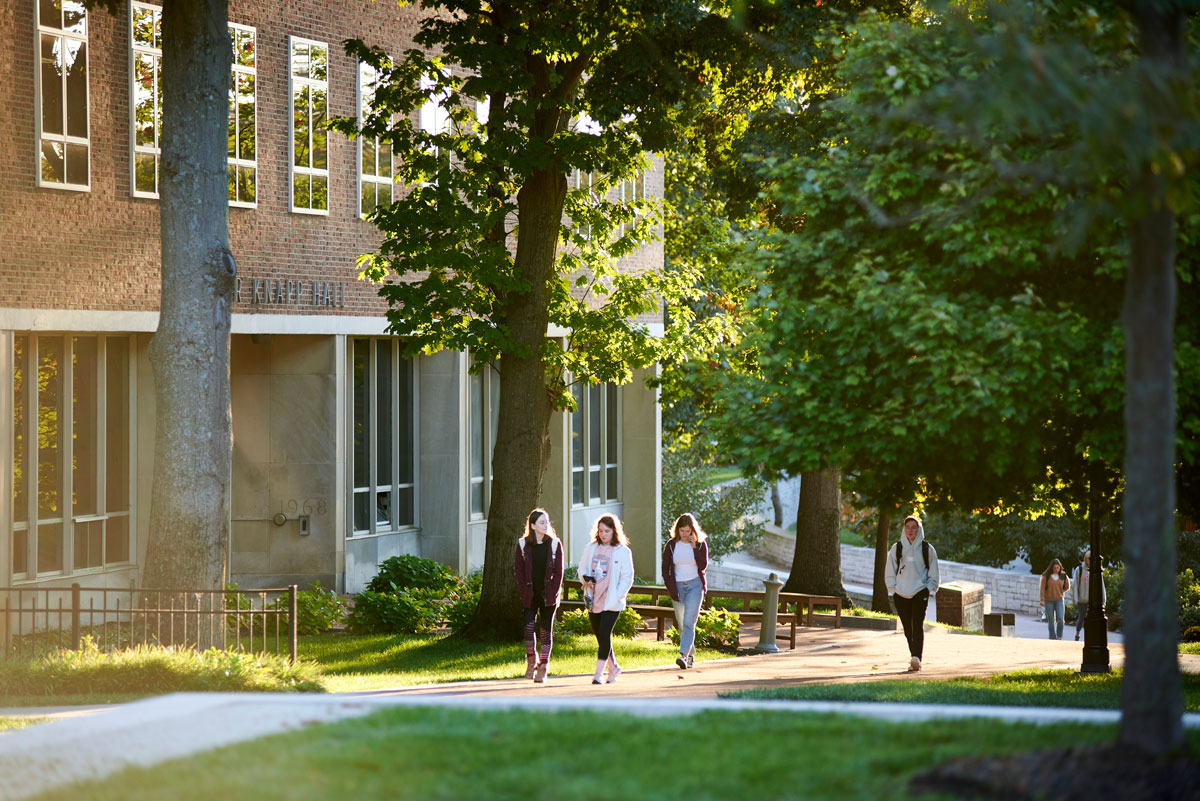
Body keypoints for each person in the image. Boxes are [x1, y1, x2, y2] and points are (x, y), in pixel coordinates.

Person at [579, 514, 635, 684]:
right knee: (601, 637)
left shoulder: (622, 551)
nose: (603, 534)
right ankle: (614, 666)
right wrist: (585, 578)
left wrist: (618, 595)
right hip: (593, 598)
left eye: (607, 531)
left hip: (612, 601)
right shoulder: (591, 547)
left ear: (614, 531)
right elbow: (582, 568)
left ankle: (598, 674)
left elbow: (628, 577)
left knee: (604, 633)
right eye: (601, 531)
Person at [512, 508, 564, 683]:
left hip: (548, 594)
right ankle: (530, 661)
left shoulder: (555, 544)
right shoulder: (522, 544)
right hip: (530, 593)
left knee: (545, 630)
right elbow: (518, 569)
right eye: (541, 522)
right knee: (528, 627)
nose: (546, 525)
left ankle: (543, 666)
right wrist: (523, 589)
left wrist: (553, 591)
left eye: (547, 521)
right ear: (533, 525)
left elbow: (559, 572)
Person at [884, 515, 940, 672]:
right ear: (904, 529)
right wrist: (893, 589)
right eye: (907, 527)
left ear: (919, 530)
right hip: (900, 594)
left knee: (917, 624)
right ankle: (914, 656)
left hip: (919, 592)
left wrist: (929, 588)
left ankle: (916, 658)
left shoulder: (927, 549)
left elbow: (934, 573)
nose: (910, 531)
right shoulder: (897, 548)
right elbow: (890, 571)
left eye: (914, 527)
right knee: (908, 629)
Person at [662, 512, 709, 670]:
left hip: (695, 586)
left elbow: (702, 566)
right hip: (678, 587)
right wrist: (670, 587)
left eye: (688, 531)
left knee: (689, 622)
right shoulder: (671, 545)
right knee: (682, 624)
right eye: (682, 531)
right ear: (677, 530)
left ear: (693, 530)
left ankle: (683, 655)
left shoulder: (701, 544)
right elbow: (665, 568)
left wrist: (694, 547)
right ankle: (690, 656)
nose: (685, 534)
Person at [1071, 550, 1106, 641]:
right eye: (1089, 559)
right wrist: (1075, 599)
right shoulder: (1080, 569)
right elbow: (1075, 585)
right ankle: (1077, 635)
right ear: (1086, 559)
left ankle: (1091, 637)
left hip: (1093, 600)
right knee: (1081, 618)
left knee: (1092, 620)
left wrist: (1103, 599)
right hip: (1082, 599)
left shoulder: (1098, 570)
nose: (1091, 561)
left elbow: (1101, 586)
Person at [1041, 557, 1071, 640]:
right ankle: (1052, 637)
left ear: (1060, 567)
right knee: (1051, 620)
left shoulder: (1063, 576)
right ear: (1051, 568)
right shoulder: (1046, 577)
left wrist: (1061, 591)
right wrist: (1042, 599)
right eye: (1054, 568)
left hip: (1059, 600)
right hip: (1048, 601)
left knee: (1061, 619)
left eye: (1057, 567)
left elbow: (1067, 586)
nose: (1056, 569)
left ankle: (1059, 636)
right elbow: (1042, 589)